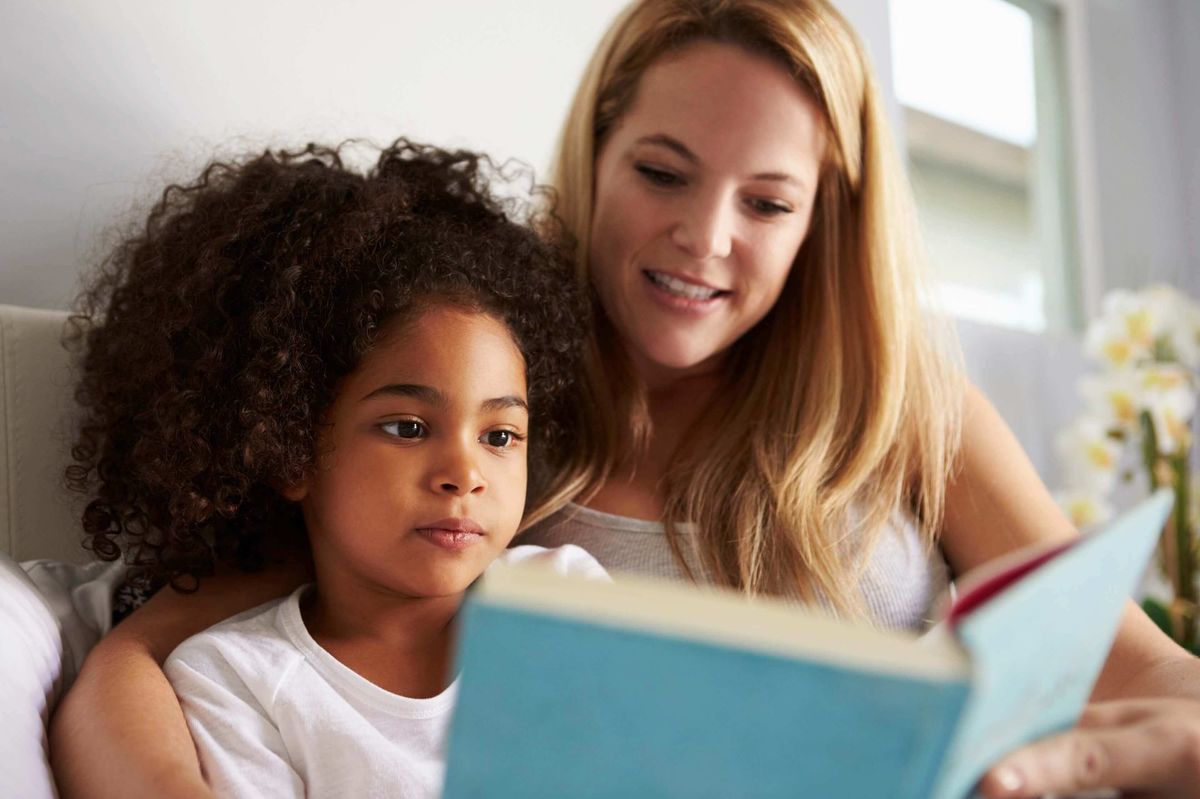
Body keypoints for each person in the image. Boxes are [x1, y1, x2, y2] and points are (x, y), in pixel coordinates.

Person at [51, 1, 1200, 797]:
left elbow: (1129, 659)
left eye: (768, 203)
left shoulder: (900, 403)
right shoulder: (481, 407)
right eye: (662, 173)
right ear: (595, 154)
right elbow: (146, 655)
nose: (703, 240)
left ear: (824, 220)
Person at [56, 140, 607, 798]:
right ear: (289, 449)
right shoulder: (238, 679)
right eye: (407, 427)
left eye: (499, 434)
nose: (465, 472)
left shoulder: (568, 602)